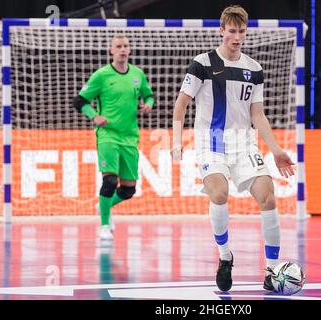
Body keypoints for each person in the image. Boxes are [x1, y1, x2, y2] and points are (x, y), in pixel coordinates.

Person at [171, 5, 295, 292]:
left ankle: (272, 270)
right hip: (210, 141)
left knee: (268, 196)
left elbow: (257, 114)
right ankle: (225, 257)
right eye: (232, 31)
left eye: (241, 32)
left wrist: (275, 149)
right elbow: (181, 105)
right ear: (221, 30)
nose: (237, 37)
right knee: (219, 192)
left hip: (244, 143)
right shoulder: (201, 63)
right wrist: (177, 142)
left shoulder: (254, 69)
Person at [73, 35, 154, 241]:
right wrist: (95, 116)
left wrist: (148, 104)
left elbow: (149, 95)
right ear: (111, 50)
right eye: (118, 46)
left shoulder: (137, 74)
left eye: (126, 46)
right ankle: (104, 224)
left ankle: (104, 206)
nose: (123, 49)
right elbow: (79, 101)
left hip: (130, 137)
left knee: (128, 190)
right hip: (108, 135)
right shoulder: (101, 76)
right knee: (109, 180)